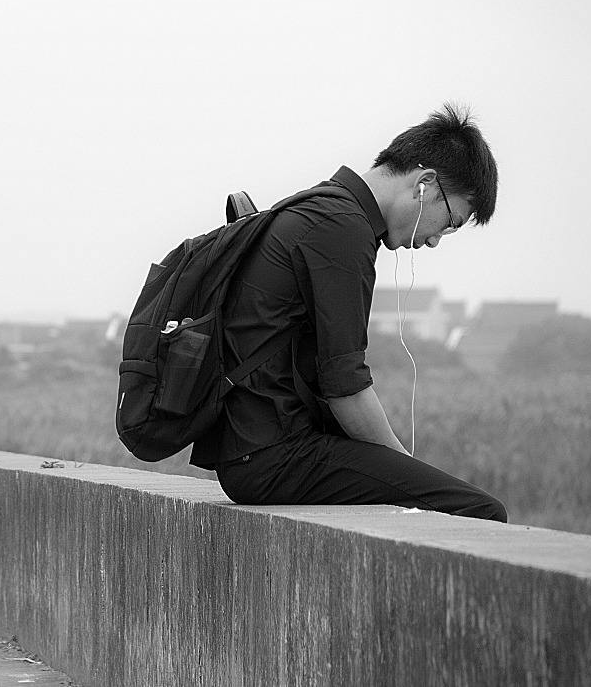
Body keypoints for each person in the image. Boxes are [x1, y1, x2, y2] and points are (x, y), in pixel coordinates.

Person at [191, 104, 507, 522]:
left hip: (251, 453)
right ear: (425, 184)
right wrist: (407, 469)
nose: (434, 241)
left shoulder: (322, 208)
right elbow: (344, 386)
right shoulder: (342, 230)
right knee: (479, 510)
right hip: (273, 457)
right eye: (450, 221)